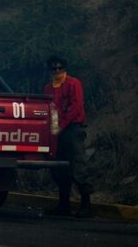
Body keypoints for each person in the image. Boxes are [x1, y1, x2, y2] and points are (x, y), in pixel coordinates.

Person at [44, 55, 94, 218]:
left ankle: (86, 205)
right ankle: (63, 204)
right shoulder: (48, 88)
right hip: (56, 131)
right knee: (58, 167)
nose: (57, 70)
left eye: (60, 68)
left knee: (78, 165)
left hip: (72, 129)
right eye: (54, 68)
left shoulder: (73, 84)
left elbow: (75, 106)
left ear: (65, 68)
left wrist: (61, 125)